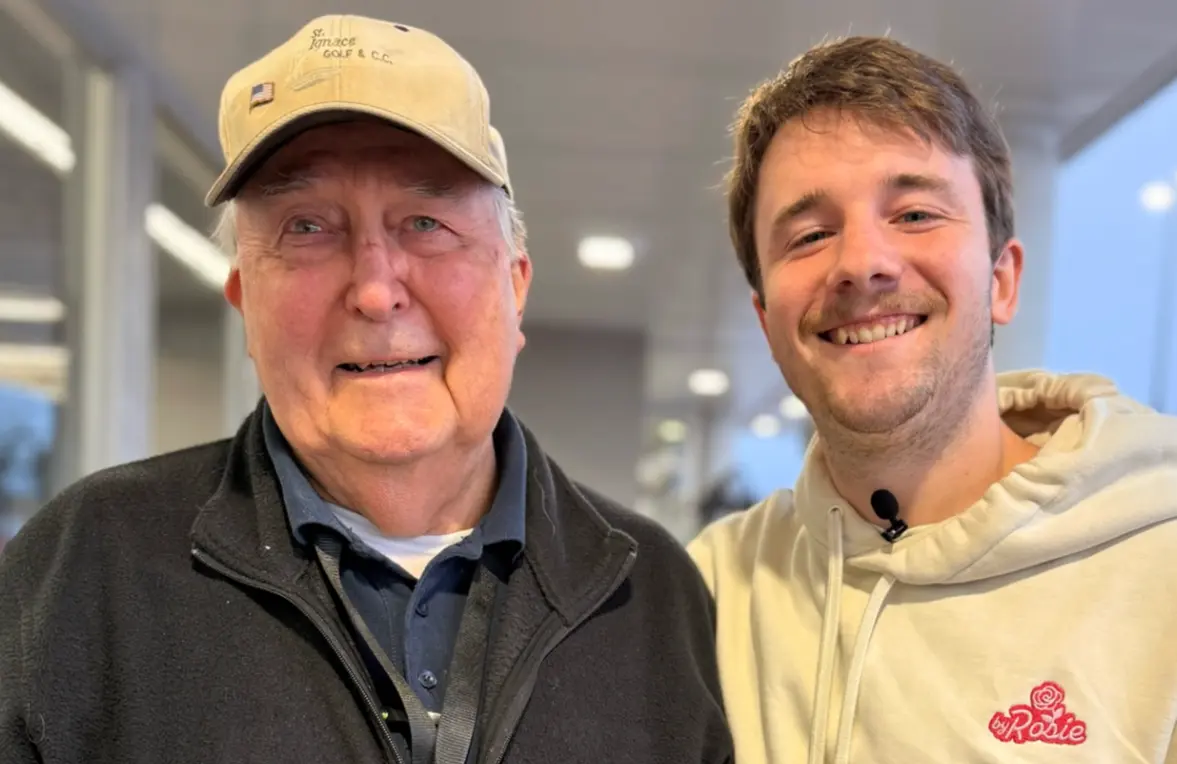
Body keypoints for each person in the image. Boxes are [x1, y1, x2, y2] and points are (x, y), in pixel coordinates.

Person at [0, 15, 734, 764]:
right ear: (245, 304)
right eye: (307, 227)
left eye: (425, 220)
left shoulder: (651, 597)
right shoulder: (84, 571)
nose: (376, 290)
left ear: (515, 287)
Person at [687, 34, 1177, 764]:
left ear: (1001, 279)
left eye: (914, 214)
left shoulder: (1156, 569)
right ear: (766, 321)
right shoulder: (711, 591)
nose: (860, 264)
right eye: (811, 234)